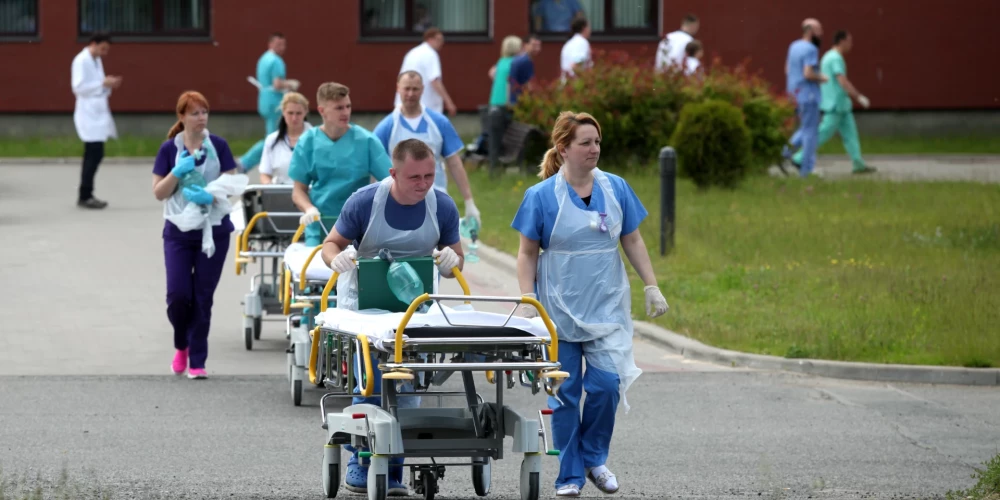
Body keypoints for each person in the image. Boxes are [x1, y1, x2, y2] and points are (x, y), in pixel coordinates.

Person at [510, 111, 669, 497]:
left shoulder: (615, 188)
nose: (594, 149)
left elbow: (631, 239)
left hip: (606, 307)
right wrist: (528, 298)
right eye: (585, 142)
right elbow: (527, 252)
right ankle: (570, 476)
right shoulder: (542, 196)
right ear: (564, 149)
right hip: (558, 309)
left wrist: (652, 285)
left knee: (607, 387)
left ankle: (594, 457)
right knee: (565, 393)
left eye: (597, 142)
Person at [321, 139, 465, 496]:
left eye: (429, 175)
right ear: (393, 174)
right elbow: (332, 243)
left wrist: (451, 261)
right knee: (369, 384)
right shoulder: (365, 202)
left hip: (413, 311)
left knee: (408, 386)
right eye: (413, 177)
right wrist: (334, 259)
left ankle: (395, 466)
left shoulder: (442, 206)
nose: (423, 184)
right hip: (365, 308)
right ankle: (359, 458)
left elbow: (456, 258)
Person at [152, 91, 240, 380]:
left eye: (205, 112)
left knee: (202, 297)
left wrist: (210, 194)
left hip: (213, 231)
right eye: (195, 113)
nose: (201, 118)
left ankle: (197, 359)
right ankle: (181, 344)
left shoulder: (219, 146)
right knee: (178, 296)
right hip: (177, 231)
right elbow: (159, 192)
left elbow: (233, 186)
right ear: (181, 117)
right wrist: (177, 172)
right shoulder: (169, 150)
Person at [288, 82, 392, 247]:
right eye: (339, 108)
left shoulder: (366, 141)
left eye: (348, 106)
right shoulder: (307, 142)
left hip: (359, 227)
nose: (346, 112)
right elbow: (298, 190)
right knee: (314, 270)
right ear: (322, 111)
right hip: (320, 225)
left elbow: (391, 182)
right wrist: (308, 209)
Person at [373, 71, 481, 225]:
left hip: (435, 197)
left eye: (415, 89)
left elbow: (455, 163)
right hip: (398, 202)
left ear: (422, 89)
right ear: (398, 88)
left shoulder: (438, 122)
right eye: (407, 88)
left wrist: (469, 202)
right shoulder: (387, 127)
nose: (410, 93)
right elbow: (373, 166)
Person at [792, 30, 877, 175]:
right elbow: (842, 81)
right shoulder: (836, 58)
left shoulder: (828, 56)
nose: (851, 44)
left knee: (851, 135)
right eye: (849, 41)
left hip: (841, 105)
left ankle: (858, 164)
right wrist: (858, 96)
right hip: (835, 105)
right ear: (842, 41)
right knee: (823, 133)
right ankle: (800, 157)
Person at [71, 32, 121, 209]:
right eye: (103, 48)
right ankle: (85, 195)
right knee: (93, 153)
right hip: (87, 112)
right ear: (93, 43)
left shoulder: (96, 60)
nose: (104, 53)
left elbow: (99, 83)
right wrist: (102, 84)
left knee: (94, 154)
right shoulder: (81, 60)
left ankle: (86, 194)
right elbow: (78, 88)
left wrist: (107, 84)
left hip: (98, 111)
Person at [239, 32, 300, 172]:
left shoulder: (264, 59)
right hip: (275, 101)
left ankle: (269, 163)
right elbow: (277, 84)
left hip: (265, 99)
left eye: (283, 44)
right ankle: (245, 162)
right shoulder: (277, 61)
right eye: (279, 44)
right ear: (271, 44)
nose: (282, 47)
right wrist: (291, 84)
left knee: (276, 136)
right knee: (274, 137)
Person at [783, 18, 829, 178]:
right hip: (808, 94)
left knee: (804, 128)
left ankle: (784, 152)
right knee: (810, 132)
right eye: (819, 30)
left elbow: (788, 68)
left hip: (794, 93)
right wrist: (821, 78)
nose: (821, 34)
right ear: (810, 31)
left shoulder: (793, 46)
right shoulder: (811, 49)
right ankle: (806, 170)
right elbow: (808, 73)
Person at [395, 28, 457, 116]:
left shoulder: (412, 52)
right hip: (427, 106)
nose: (441, 43)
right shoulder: (431, 54)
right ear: (430, 39)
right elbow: (435, 81)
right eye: (439, 40)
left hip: (404, 103)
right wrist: (449, 102)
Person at [259, 92, 313, 184]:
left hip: (309, 192)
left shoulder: (316, 138)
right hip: (281, 192)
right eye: (290, 113)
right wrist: (269, 186)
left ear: (305, 112)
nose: (294, 118)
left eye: (298, 113)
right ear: (283, 112)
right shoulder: (272, 140)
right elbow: (265, 173)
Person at [509, 35, 543, 105]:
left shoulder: (518, 58)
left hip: (513, 100)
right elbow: (530, 85)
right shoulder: (526, 61)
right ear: (525, 45)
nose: (537, 49)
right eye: (534, 45)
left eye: (539, 46)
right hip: (520, 102)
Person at [560, 18, 592, 82]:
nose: (590, 30)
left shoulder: (568, 43)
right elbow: (575, 65)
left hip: (567, 85)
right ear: (584, 28)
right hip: (575, 86)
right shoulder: (582, 42)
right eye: (589, 27)